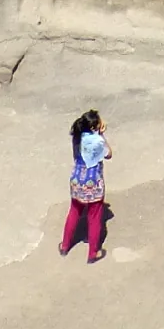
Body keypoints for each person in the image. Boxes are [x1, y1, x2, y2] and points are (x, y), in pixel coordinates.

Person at [58, 108, 110, 263]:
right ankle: (93, 253)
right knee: (94, 217)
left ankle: (65, 245)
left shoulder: (77, 137)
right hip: (93, 182)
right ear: (94, 127)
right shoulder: (97, 140)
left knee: (74, 211)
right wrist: (101, 135)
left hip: (76, 180)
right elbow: (109, 154)